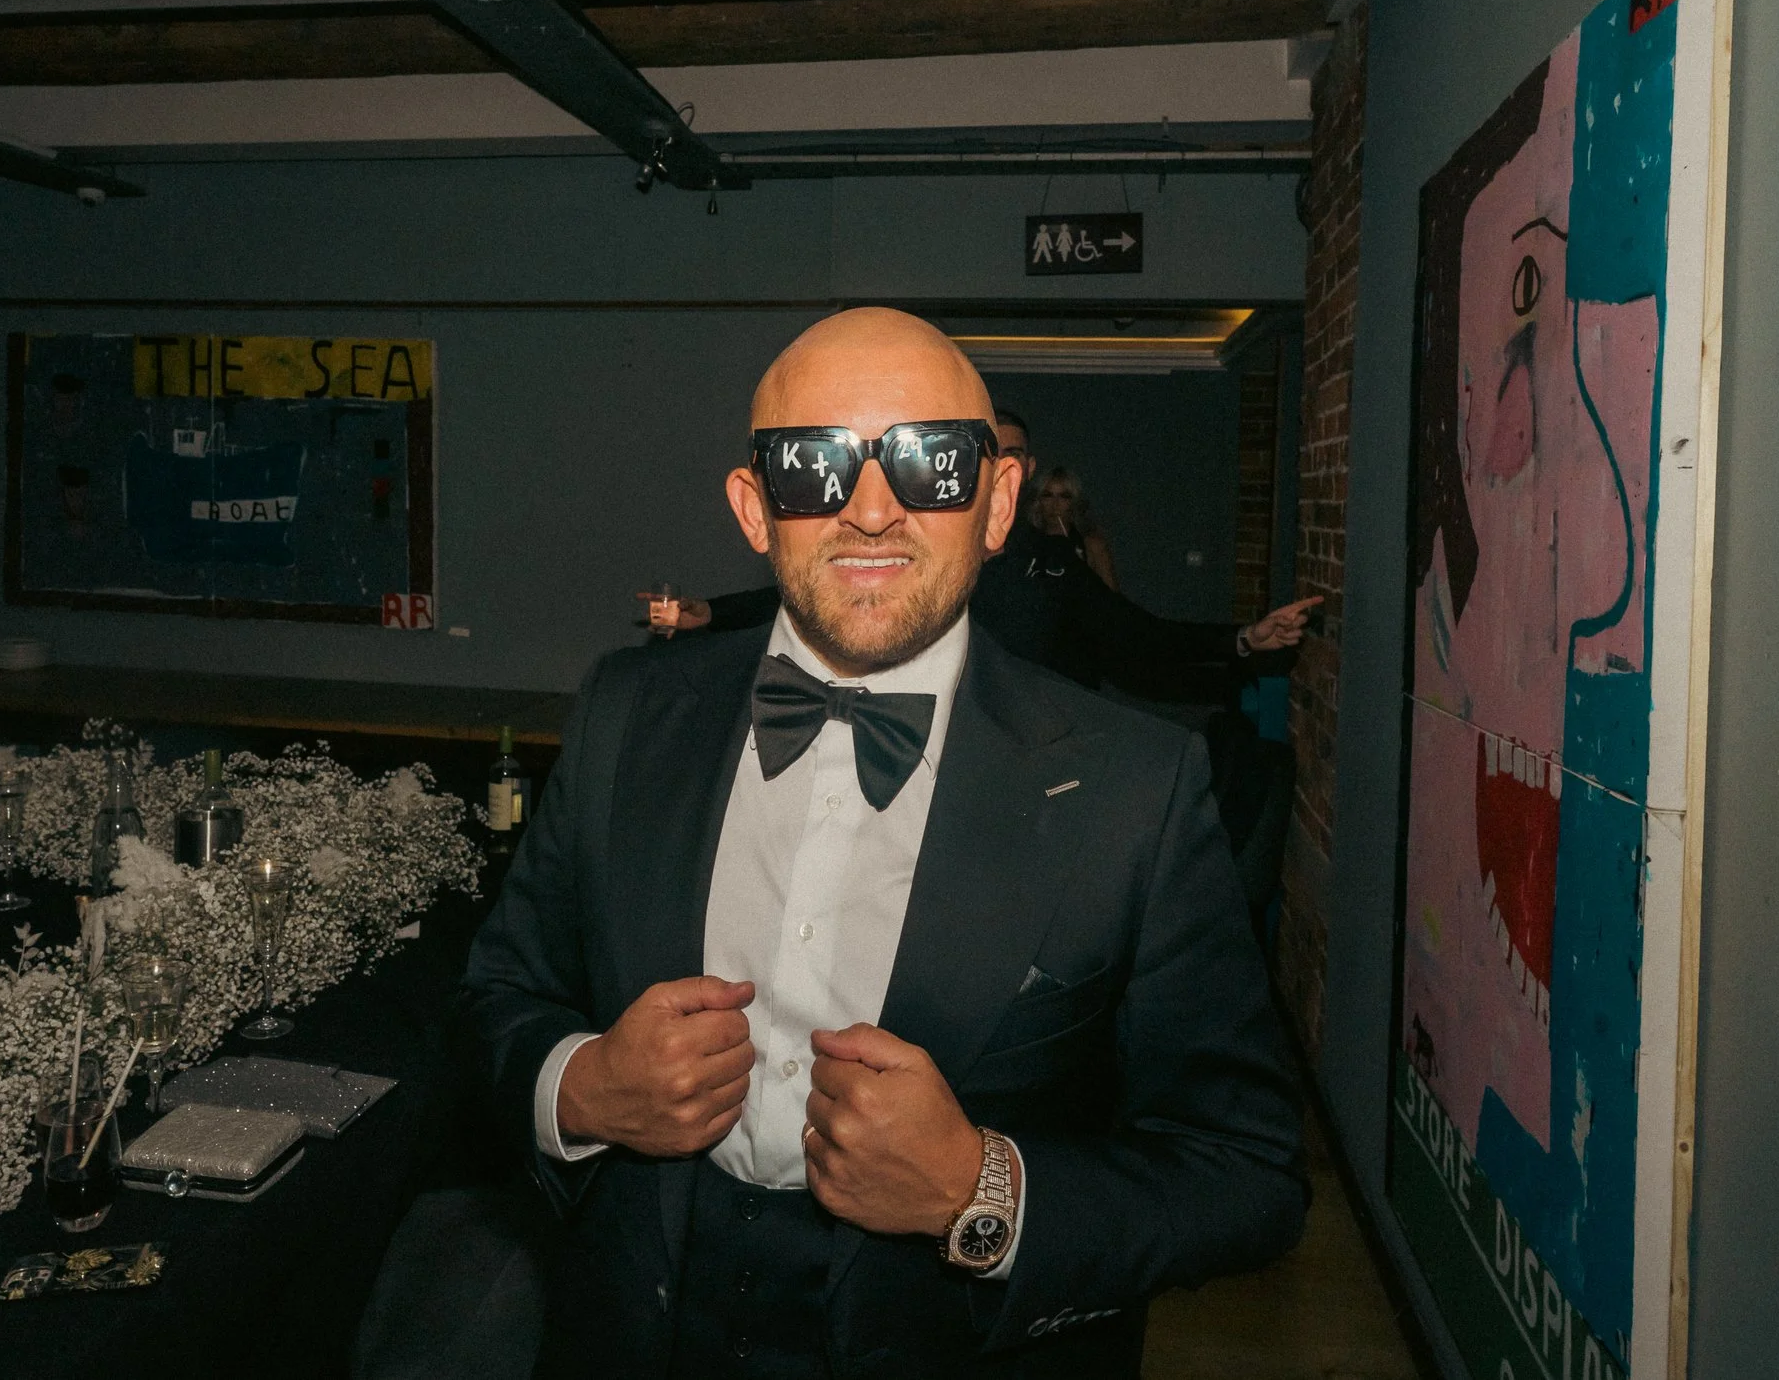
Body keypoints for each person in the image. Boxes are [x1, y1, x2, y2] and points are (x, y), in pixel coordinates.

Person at [464, 309, 1306, 1379]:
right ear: (753, 508)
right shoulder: (627, 713)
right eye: (813, 465)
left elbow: (1248, 1173)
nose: (871, 509)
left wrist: (978, 1188)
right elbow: (496, 993)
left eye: (929, 462)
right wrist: (577, 1086)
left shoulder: (1135, 790)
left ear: (996, 501)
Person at [640, 409, 1318, 697]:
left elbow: (1139, 640)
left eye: (1017, 454)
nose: (1004, 467)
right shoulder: (923, 550)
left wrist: (1242, 642)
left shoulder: (1052, 568)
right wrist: (710, 614)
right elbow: (815, 595)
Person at [1025, 465, 1117, 590]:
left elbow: (1113, 598)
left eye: (1064, 496)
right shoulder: (1027, 545)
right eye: (1048, 495)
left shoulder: (1091, 546)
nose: (1055, 504)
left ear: (1074, 502)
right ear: (1038, 501)